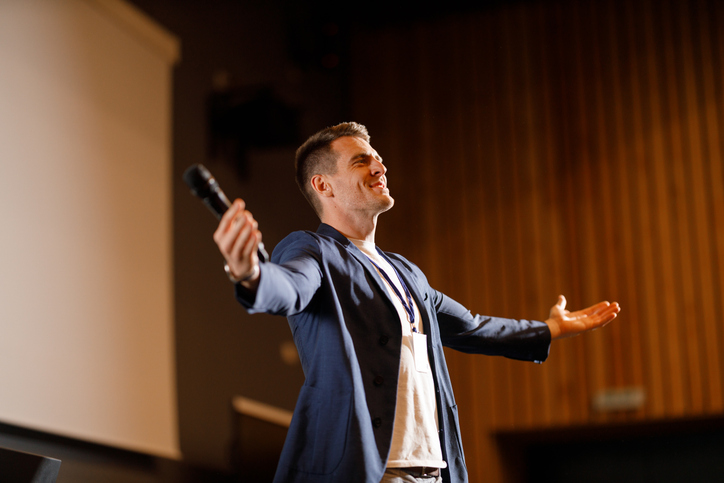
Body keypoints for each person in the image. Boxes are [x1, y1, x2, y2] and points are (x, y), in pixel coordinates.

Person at [213, 122, 620, 483]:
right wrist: (250, 273)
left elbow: (471, 326)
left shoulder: (406, 272)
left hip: (432, 471)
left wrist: (548, 329)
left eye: (378, 158)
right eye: (361, 161)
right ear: (324, 185)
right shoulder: (313, 250)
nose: (380, 167)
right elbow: (287, 287)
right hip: (367, 470)